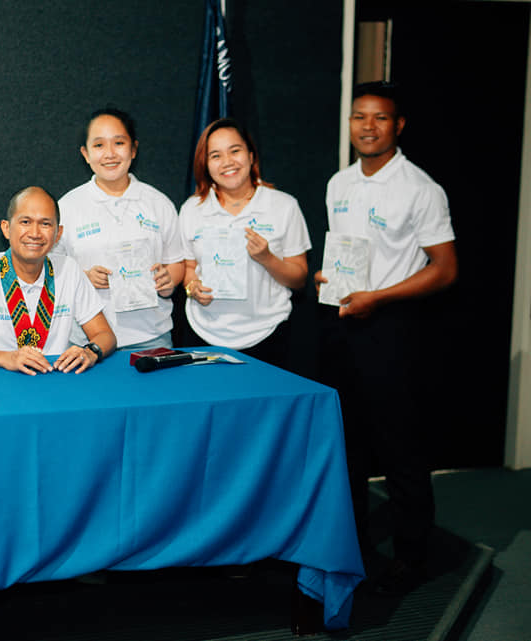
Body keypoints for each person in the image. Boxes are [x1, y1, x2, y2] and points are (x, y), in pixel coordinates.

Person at [315, 81, 457, 593]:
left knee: (400, 449)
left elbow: (444, 270)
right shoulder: (339, 184)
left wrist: (380, 296)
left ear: (398, 125)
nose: (367, 126)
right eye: (359, 117)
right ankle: (352, 544)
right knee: (346, 445)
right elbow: (347, 256)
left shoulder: (421, 189)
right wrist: (329, 280)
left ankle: (413, 558)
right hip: (342, 326)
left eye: (379, 118)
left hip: (393, 330)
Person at [0, 186, 116, 374]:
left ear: (58, 234)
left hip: (53, 382)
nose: (35, 233)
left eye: (45, 224)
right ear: (6, 228)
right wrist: (3, 357)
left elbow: (105, 335)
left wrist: (91, 352)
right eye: (25, 222)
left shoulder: (69, 270)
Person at [179, 118, 311, 369]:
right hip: (203, 335)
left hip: (268, 336)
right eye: (215, 155)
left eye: (235, 151)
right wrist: (192, 287)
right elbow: (188, 268)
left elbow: (299, 278)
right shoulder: (191, 210)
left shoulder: (284, 206)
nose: (227, 162)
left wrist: (268, 259)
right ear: (205, 165)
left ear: (251, 156)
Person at [53, 107, 184, 350]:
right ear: (85, 153)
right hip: (85, 340)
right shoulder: (67, 207)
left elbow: (176, 262)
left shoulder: (159, 203)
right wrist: (83, 276)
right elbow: (50, 269)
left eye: (119, 143)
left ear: (133, 149)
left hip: (151, 337)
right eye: (99, 145)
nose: (110, 154)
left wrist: (169, 279)